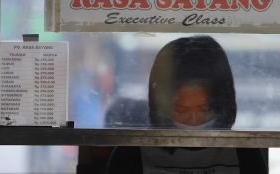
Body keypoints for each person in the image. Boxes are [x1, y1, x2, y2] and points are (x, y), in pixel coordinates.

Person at [106, 36, 268, 174]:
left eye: (206, 109)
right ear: (160, 106)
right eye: (180, 110)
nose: (194, 120)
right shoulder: (130, 154)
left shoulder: (244, 153)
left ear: (223, 106)